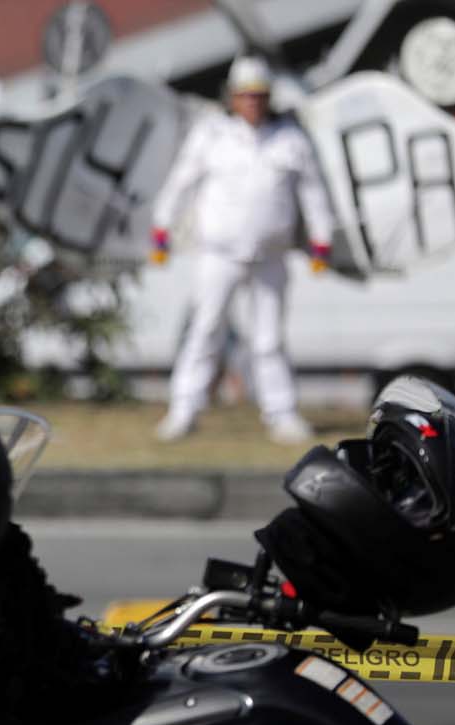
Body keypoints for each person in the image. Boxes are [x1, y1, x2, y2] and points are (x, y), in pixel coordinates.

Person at [149, 55, 335, 444]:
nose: (252, 102)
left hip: (271, 254)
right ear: (232, 98)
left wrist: (322, 238)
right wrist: (162, 225)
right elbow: (182, 181)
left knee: (268, 337)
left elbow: (314, 190)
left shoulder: (290, 138)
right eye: (245, 95)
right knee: (205, 329)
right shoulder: (211, 134)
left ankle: (281, 413)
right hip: (218, 253)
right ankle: (183, 409)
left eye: (259, 95)